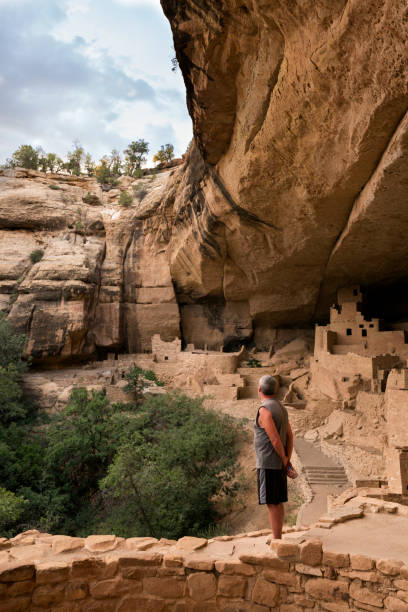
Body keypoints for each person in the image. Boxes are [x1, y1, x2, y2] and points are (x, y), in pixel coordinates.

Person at [254, 374, 295, 539]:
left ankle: (276, 539)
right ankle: (278, 537)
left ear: (259, 390)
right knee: (277, 501)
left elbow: (276, 440)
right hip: (278, 462)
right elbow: (289, 436)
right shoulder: (281, 407)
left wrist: (285, 460)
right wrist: (287, 460)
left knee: (272, 502)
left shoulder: (264, 410)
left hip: (268, 462)